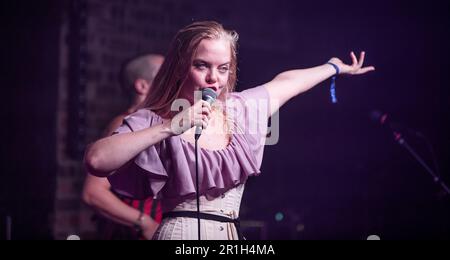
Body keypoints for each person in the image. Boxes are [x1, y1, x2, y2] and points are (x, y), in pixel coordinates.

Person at [84, 21, 375, 240]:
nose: (214, 78)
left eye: (222, 68)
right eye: (202, 66)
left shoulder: (240, 109)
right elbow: (97, 160)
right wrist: (168, 128)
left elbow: (287, 82)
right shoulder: (155, 117)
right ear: (180, 67)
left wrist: (333, 67)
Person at [82, 54, 165, 240]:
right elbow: (93, 191)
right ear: (142, 86)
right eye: (164, 75)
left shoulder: (158, 125)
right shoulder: (123, 124)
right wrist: (145, 223)